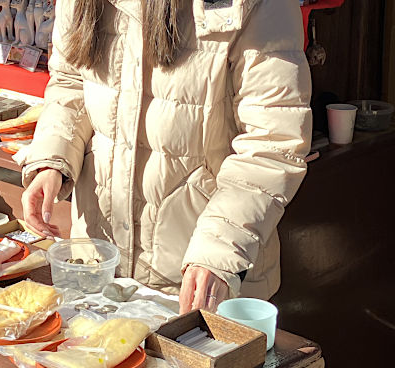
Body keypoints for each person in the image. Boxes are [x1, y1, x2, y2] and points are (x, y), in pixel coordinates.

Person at [20, 0, 312, 314]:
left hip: (202, 278)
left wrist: (219, 249)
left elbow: (271, 144)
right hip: (98, 264)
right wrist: (52, 158)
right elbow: (71, 82)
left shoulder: (261, 6)